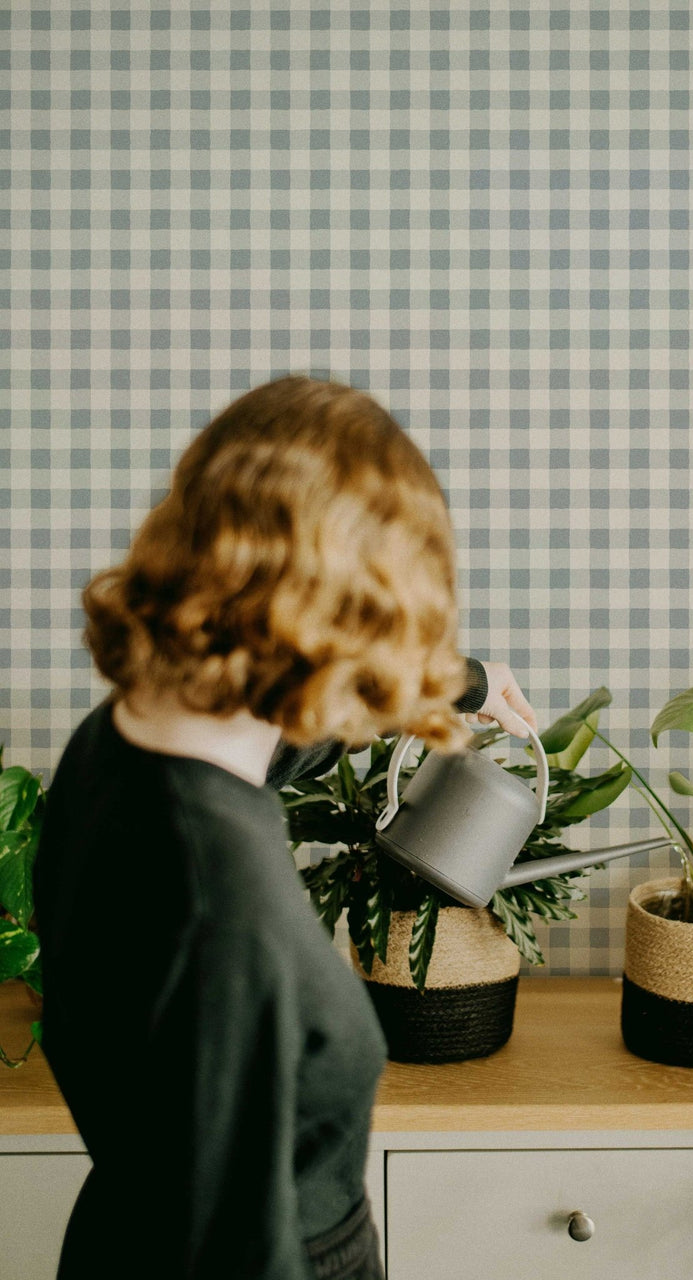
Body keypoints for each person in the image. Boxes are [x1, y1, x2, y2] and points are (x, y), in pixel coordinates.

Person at [32, 376, 537, 1280]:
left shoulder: (121, 748)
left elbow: (277, 741)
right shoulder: (221, 911)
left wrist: (455, 681)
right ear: (334, 619)